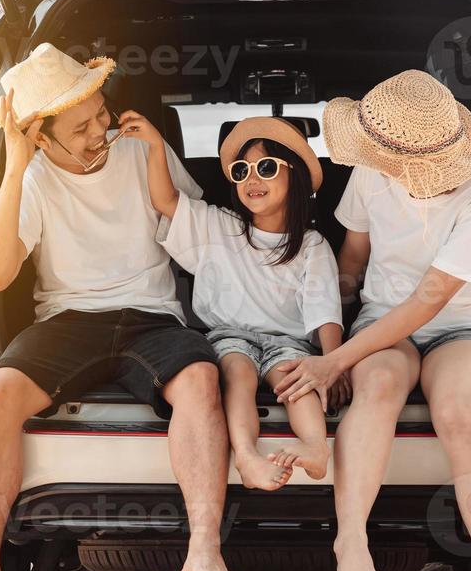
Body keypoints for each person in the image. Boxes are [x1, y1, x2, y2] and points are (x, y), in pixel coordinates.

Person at [0, 43, 240, 571]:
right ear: (40, 136)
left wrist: (156, 152)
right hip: (68, 319)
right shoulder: (31, 174)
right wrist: (16, 165)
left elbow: (195, 237)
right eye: (80, 127)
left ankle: (202, 550)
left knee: (201, 382)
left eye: (101, 113)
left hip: (152, 316)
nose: (101, 129)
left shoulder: (137, 151)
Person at [274, 69, 471, 571]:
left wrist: (335, 360)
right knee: (380, 384)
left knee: (458, 415)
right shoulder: (372, 171)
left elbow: (434, 297)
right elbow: (353, 261)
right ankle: (351, 540)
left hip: (465, 323)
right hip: (385, 317)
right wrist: (327, 332)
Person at [124, 112, 344, 490]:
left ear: (297, 178)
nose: (252, 179)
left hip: (288, 343)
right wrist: (156, 145)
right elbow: (164, 199)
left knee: (297, 382)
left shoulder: (312, 245)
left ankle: (316, 448)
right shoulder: (219, 226)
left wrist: (331, 363)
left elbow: (325, 311)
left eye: (266, 167)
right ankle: (246, 454)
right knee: (237, 374)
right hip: (230, 336)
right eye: (242, 171)